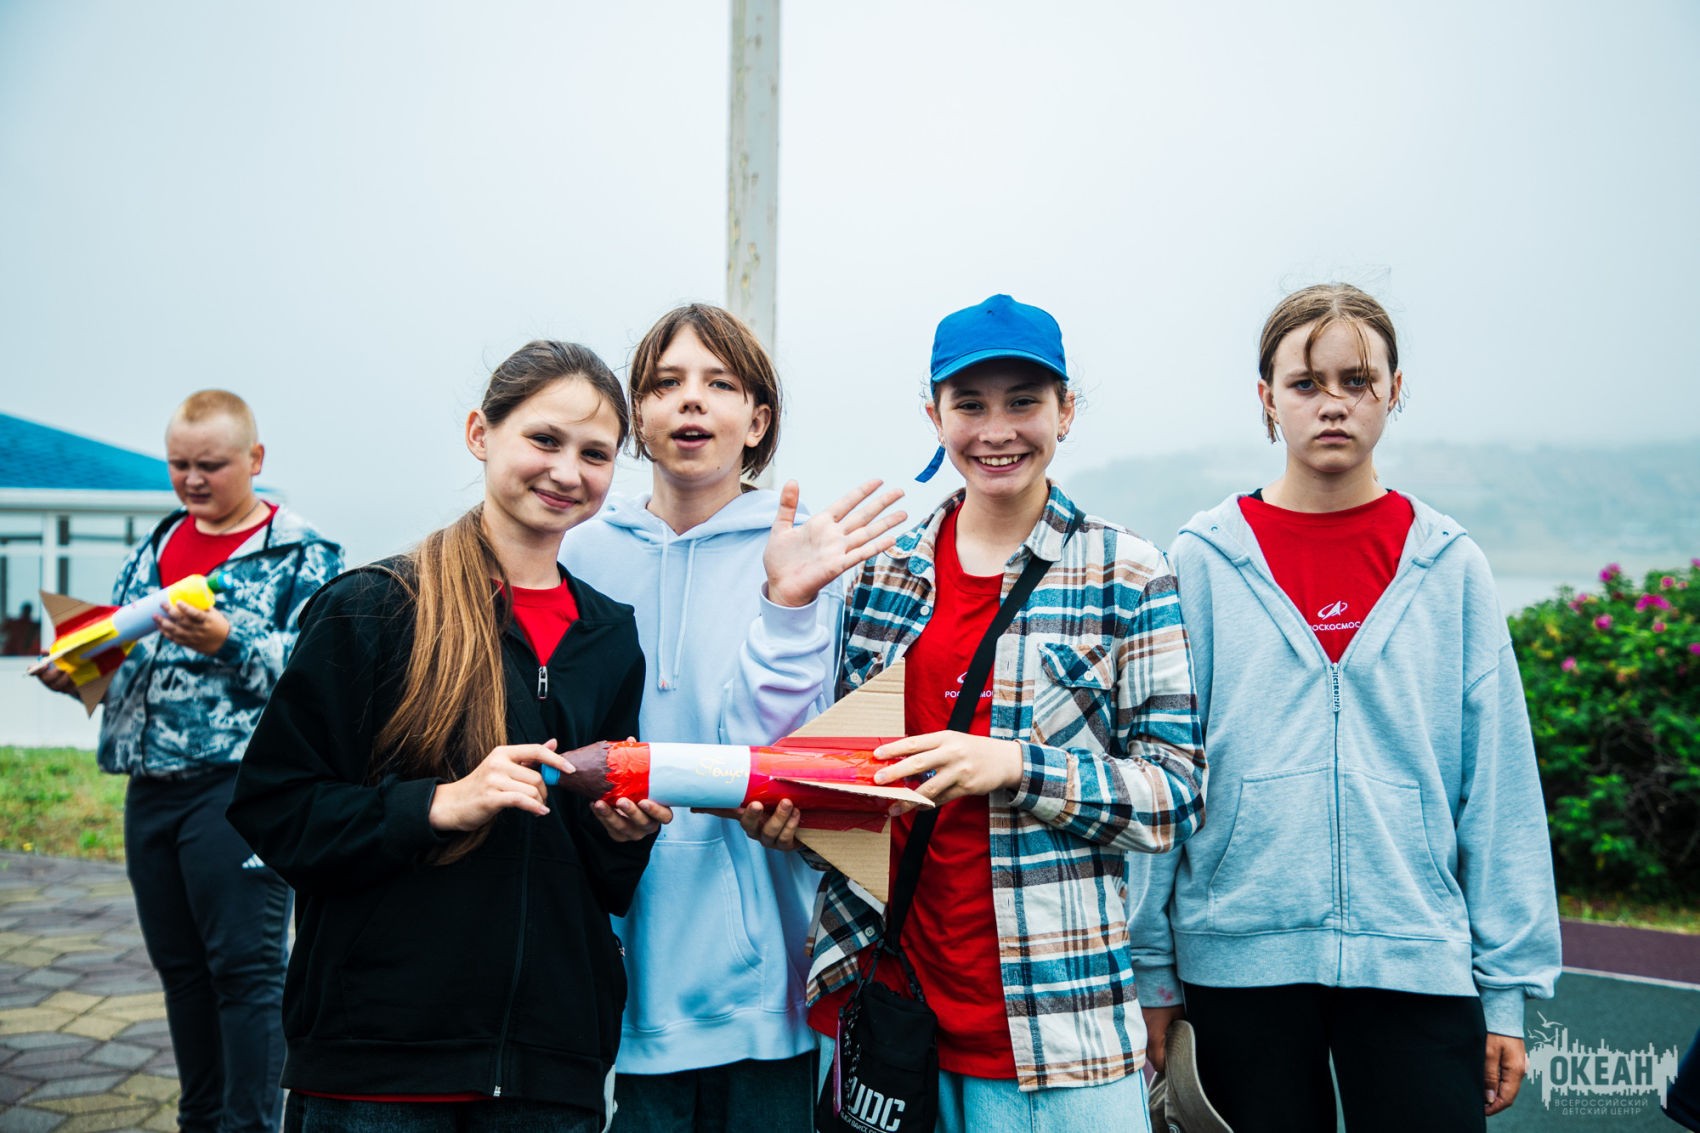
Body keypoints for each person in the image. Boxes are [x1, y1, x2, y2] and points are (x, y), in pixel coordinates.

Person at [745, 294, 1205, 1130]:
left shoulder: (1128, 571)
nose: (997, 430)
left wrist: (1016, 766)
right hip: (890, 1012)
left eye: (1023, 401)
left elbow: (1175, 795)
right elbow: (851, 775)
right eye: (970, 404)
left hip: (1060, 1032)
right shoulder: (883, 574)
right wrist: (796, 817)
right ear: (935, 415)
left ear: (1066, 411)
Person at [1128, 283, 1562, 1131]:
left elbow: (1499, 784)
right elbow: (1166, 767)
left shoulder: (1450, 565)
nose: (1333, 403)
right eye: (1306, 383)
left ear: (1395, 390)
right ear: (1267, 398)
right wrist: (1152, 971)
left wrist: (1506, 990)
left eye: (1357, 380)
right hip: (1236, 957)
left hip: (1417, 956)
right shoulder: (1203, 560)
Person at [227, 341, 667, 1133]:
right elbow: (276, 810)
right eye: (544, 439)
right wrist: (437, 805)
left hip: (549, 1068)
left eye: (595, 453)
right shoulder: (374, 607)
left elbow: (595, 881)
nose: (567, 470)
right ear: (479, 433)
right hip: (379, 1064)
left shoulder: (610, 637)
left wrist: (621, 837)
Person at [558, 303, 905, 1132]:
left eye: (719, 383)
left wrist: (789, 601)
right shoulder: (578, 548)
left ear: (757, 421)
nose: (691, 399)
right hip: (618, 958)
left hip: (764, 971)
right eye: (666, 383)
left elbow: (790, 751)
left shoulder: (808, 550)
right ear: (637, 415)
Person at [33, 389, 342, 1133]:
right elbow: (123, 652)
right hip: (149, 783)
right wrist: (77, 668)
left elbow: (326, 673)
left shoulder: (305, 553)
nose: (193, 480)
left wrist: (229, 640)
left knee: (245, 971)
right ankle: (199, 1120)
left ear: (255, 459)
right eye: (179, 465)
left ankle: (249, 1125)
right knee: (180, 970)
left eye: (211, 465)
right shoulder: (155, 545)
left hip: (241, 789)